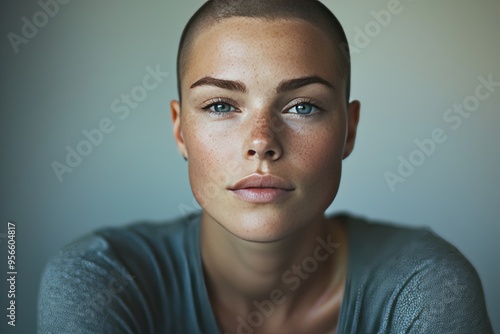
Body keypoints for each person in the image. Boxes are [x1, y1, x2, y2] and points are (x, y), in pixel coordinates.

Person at [37, 1, 493, 333]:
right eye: (219, 105)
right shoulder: (100, 281)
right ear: (180, 131)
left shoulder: (425, 288)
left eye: (302, 107)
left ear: (348, 131)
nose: (261, 142)